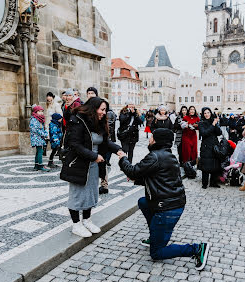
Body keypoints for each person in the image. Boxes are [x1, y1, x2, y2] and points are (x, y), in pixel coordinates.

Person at [118, 128, 210, 270]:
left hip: (167, 208)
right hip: (174, 203)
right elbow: (159, 179)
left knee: (156, 253)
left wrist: (123, 158)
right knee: (143, 202)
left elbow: (133, 170)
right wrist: (138, 179)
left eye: (152, 137)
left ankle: (196, 249)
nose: (149, 139)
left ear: (157, 140)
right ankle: (155, 234)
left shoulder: (154, 156)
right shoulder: (168, 155)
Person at [60, 97, 124, 237]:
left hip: (94, 165)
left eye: (105, 110)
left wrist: (117, 149)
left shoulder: (99, 122)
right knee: (77, 194)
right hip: (79, 163)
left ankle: (87, 220)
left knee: (91, 193)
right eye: (102, 109)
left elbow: (105, 142)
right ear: (93, 108)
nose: (104, 113)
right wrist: (93, 156)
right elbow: (75, 144)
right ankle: (76, 224)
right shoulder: (77, 120)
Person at [198, 107, 222, 189]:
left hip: (214, 145)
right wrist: (213, 125)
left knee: (215, 163)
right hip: (206, 146)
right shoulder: (201, 123)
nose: (207, 114)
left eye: (208, 112)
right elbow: (204, 133)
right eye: (205, 113)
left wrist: (216, 124)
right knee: (206, 164)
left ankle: (213, 182)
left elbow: (219, 133)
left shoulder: (213, 121)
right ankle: (204, 183)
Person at [30, 105, 50, 172]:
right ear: (35, 112)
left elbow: (41, 128)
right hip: (37, 138)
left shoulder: (38, 119)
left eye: (42, 111)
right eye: (39, 111)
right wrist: (44, 134)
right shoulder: (34, 119)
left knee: (38, 151)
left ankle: (36, 165)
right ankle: (40, 165)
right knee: (40, 151)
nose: (41, 113)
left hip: (39, 138)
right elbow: (36, 129)